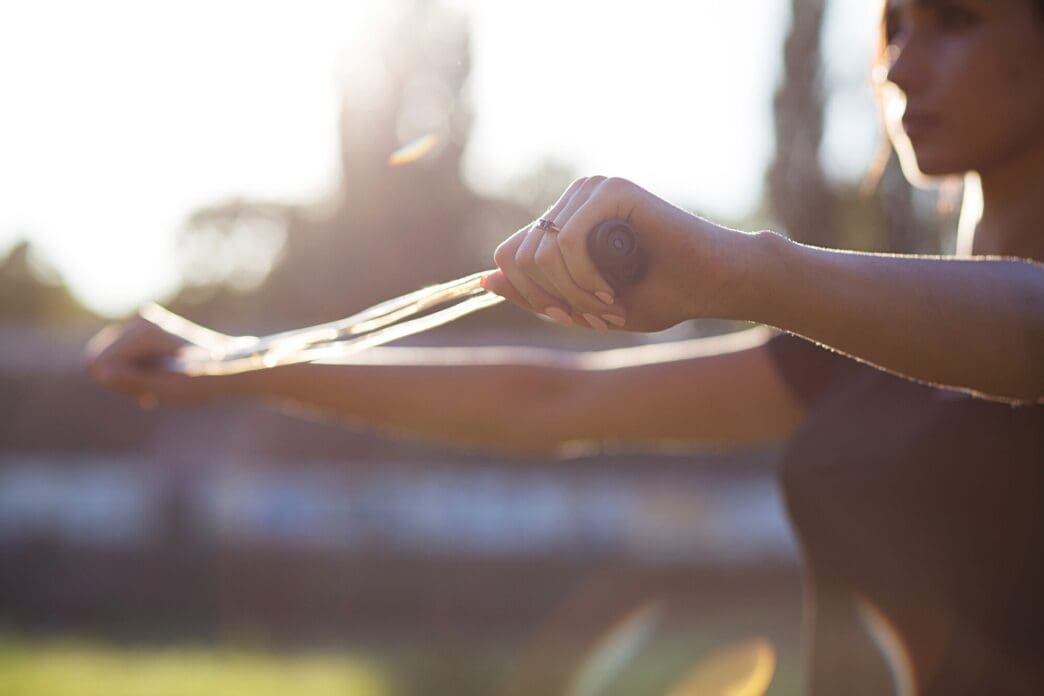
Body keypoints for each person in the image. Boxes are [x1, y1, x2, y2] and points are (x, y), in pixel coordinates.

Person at [86, 0, 1043, 692]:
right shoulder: (855, 339)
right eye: (895, 27)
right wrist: (238, 363)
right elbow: (550, 404)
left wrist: (740, 269)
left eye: (957, 19)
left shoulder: (901, 317)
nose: (900, 66)